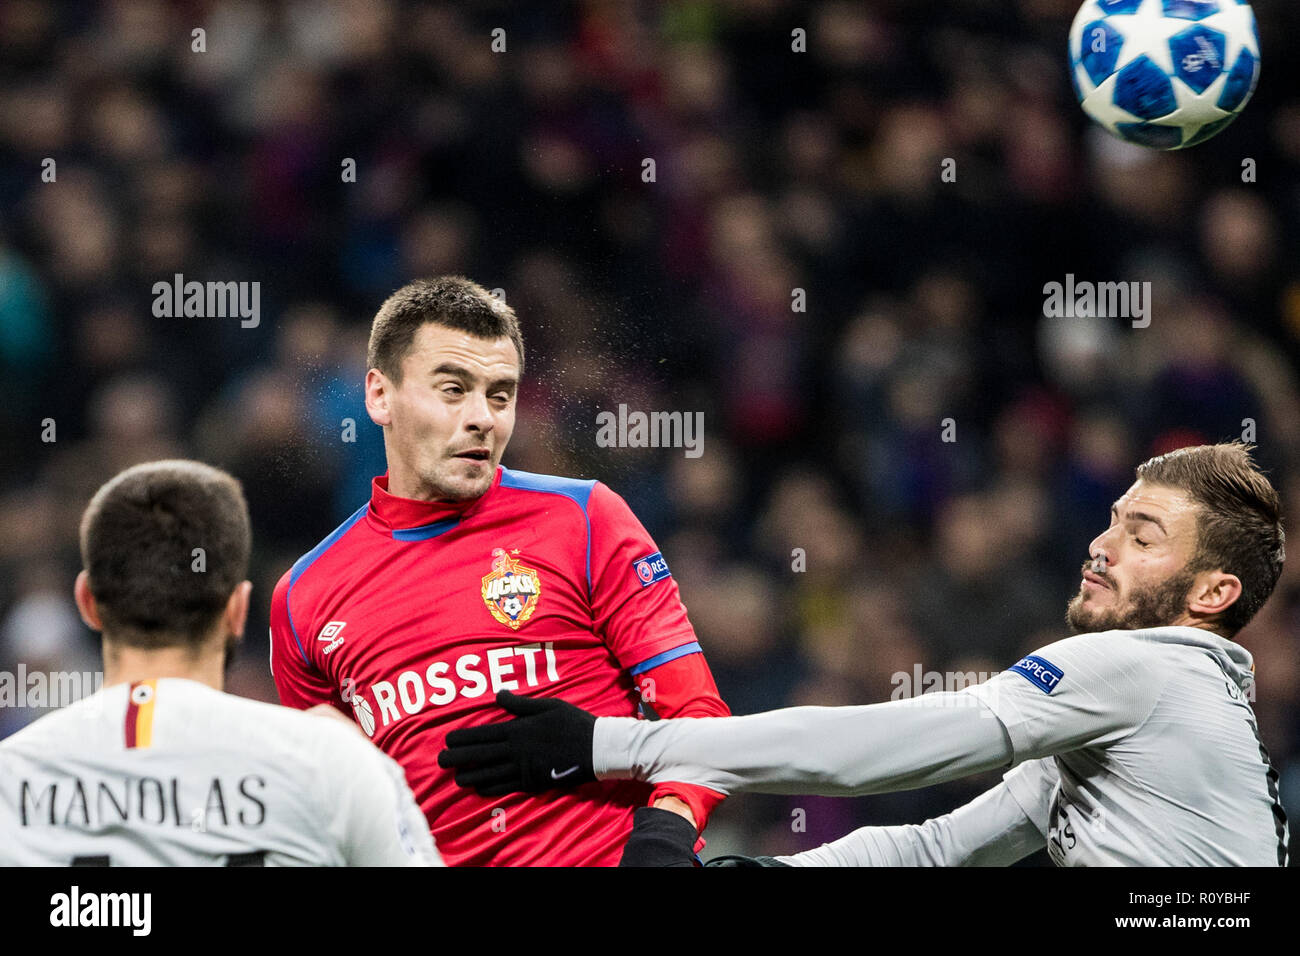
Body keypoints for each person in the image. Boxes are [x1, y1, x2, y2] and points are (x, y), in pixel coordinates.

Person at [442, 443, 1289, 866]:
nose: (1102, 546)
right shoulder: (1165, 710)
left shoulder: (1148, 667)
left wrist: (604, 745)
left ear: (1211, 594)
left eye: (1142, 536)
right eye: (1111, 520)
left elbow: (882, 749)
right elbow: (936, 851)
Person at [270, 276, 729, 866]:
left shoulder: (586, 518)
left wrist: (664, 837)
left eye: (501, 394)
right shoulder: (303, 598)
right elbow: (332, 806)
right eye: (454, 390)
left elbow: (697, 716)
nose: (482, 418)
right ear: (380, 396)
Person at [0, 460, 440, 866]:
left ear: (87, 602)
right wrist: (378, 771)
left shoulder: (10, 777)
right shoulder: (330, 761)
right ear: (239, 610)